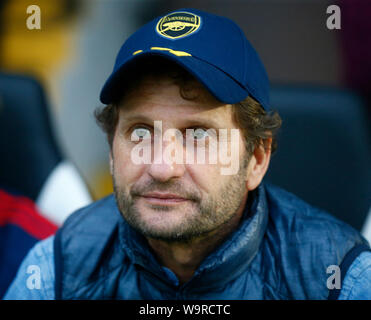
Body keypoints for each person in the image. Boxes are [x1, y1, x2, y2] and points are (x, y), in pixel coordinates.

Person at [4, 8, 371, 300]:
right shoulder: (57, 269)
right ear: (112, 150)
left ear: (256, 160)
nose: (162, 166)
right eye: (140, 132)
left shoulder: (341, 280)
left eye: (197, 135)